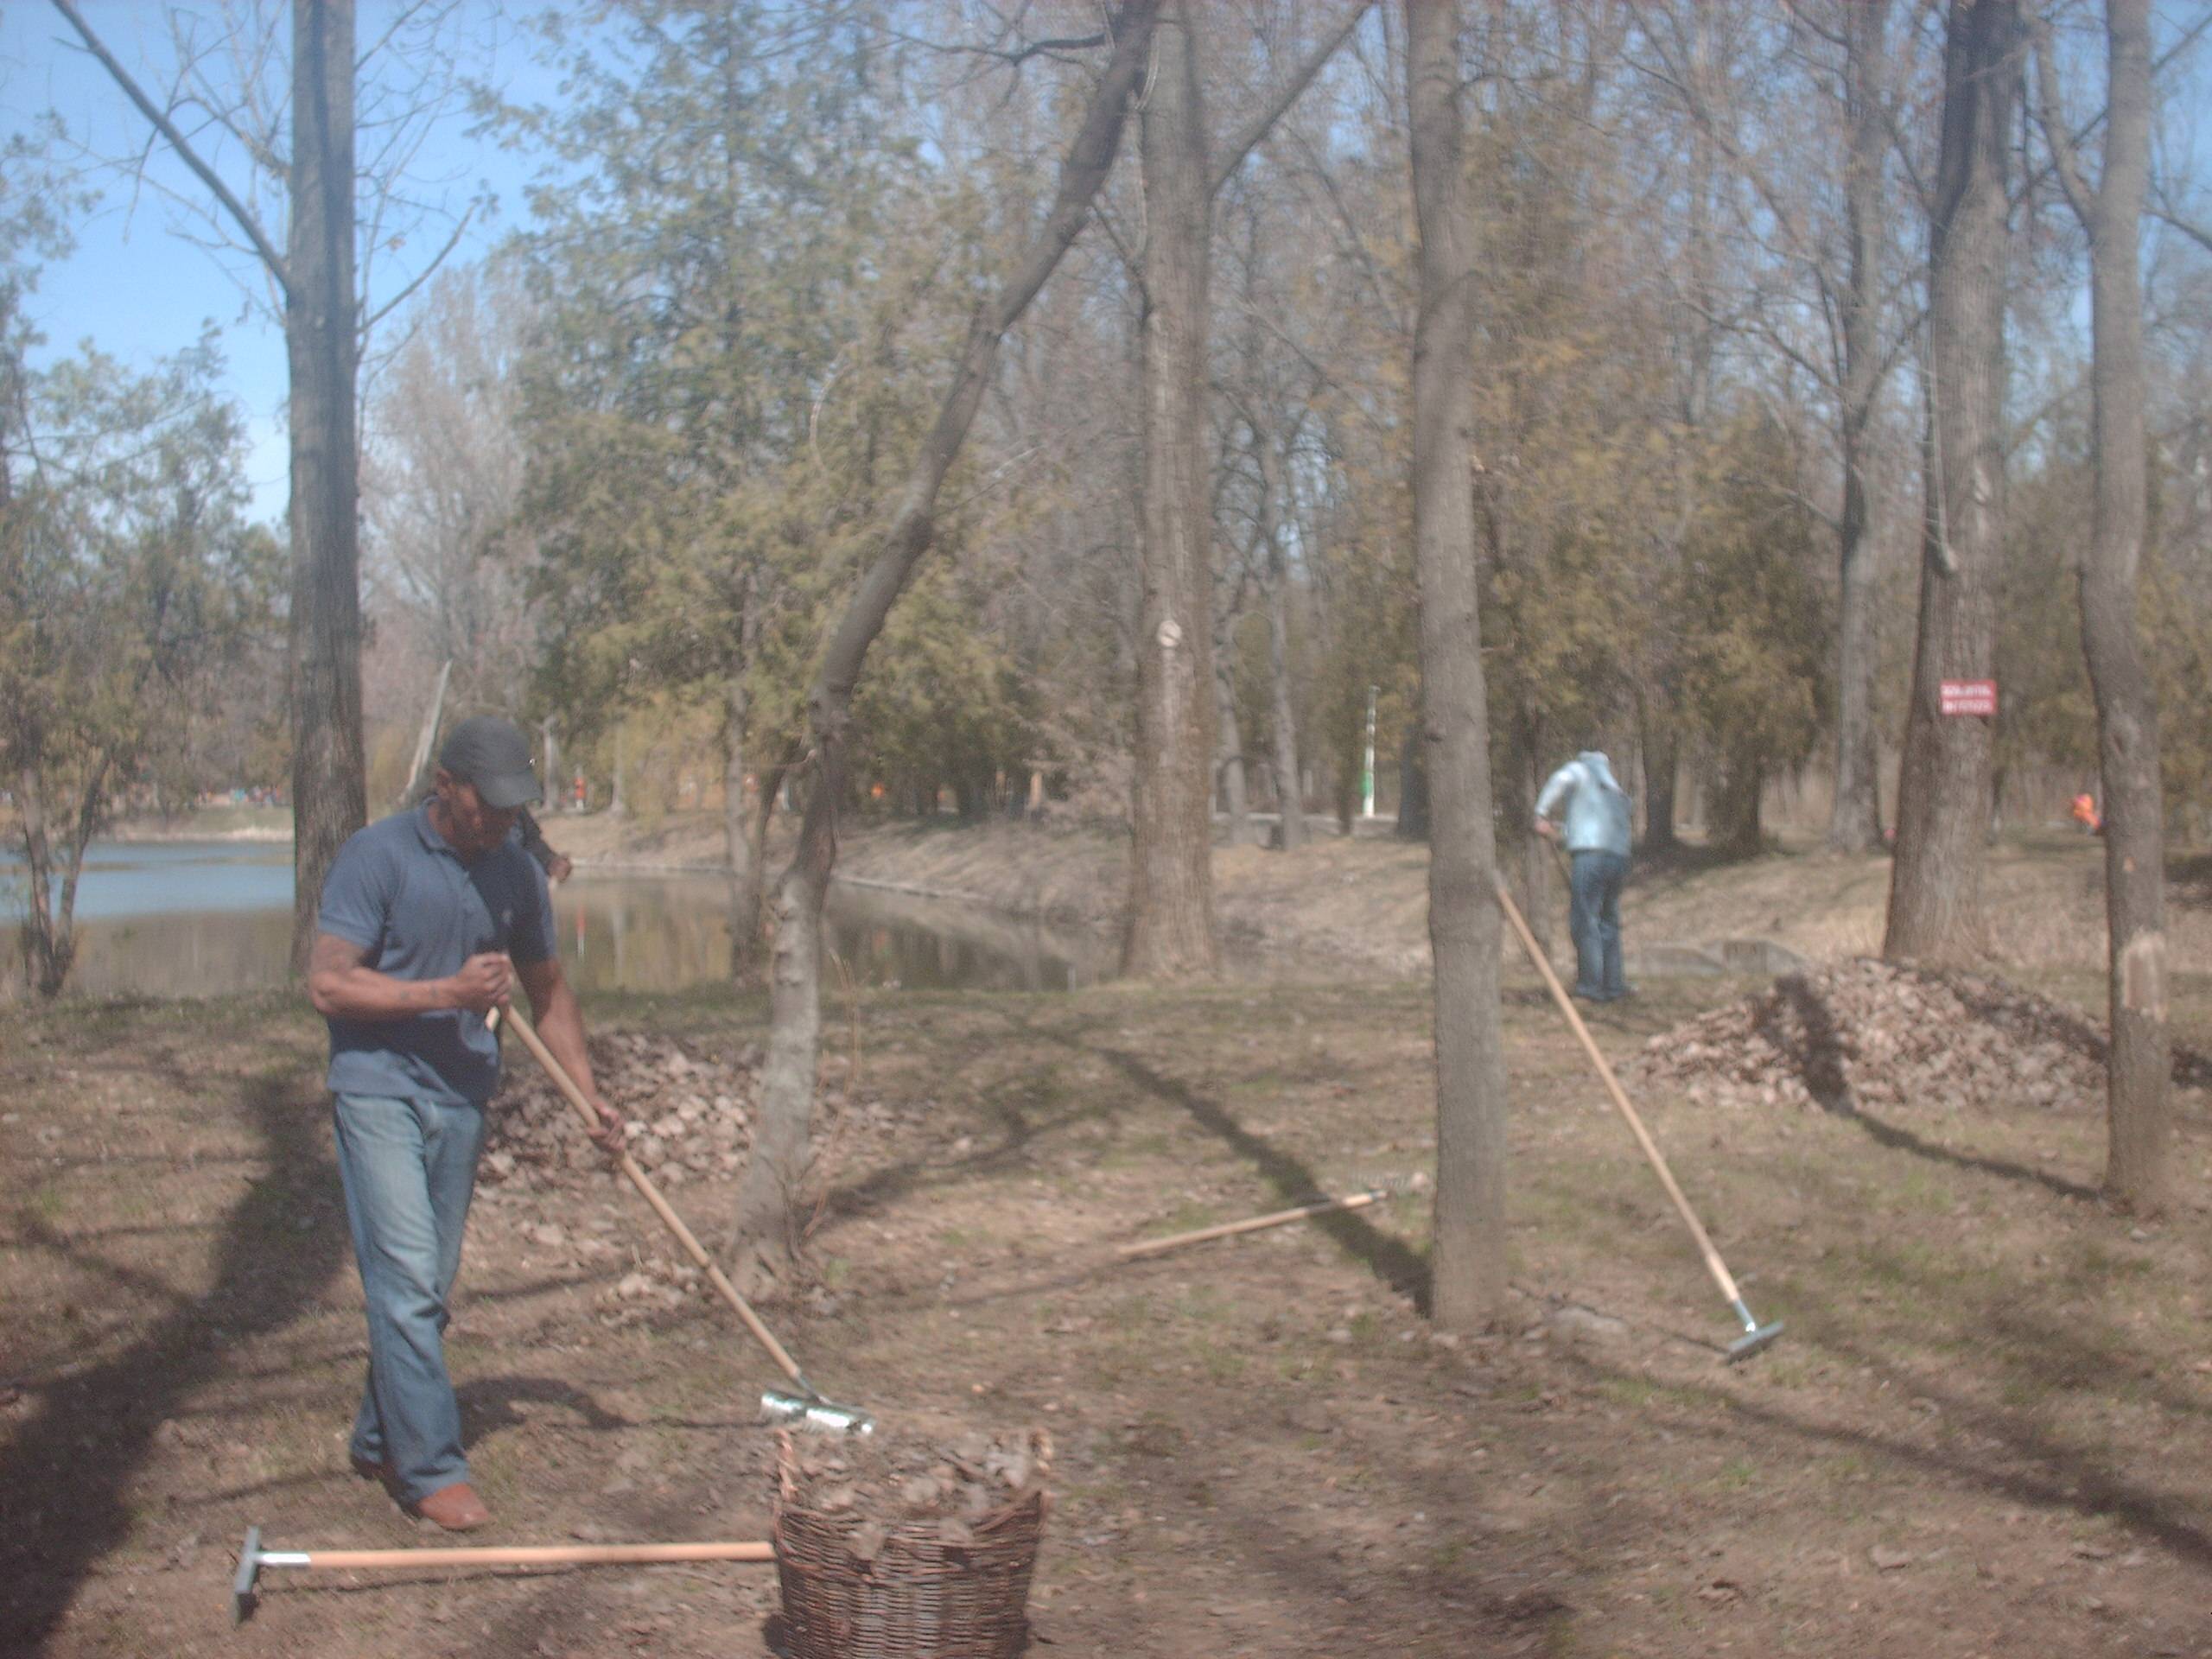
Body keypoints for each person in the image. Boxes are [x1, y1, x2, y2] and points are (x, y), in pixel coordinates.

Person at [308, 715, 623, 1531]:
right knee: (410, 1274)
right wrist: (443, 994)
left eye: (517, 808)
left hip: (461, 1095)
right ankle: (431, 1468)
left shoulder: (516, 872)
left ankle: (381, 1436)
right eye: (490, 804)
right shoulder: (376, 857)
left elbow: (549, 993)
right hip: (377, 1089)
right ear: (445, 785)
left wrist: (588, 1098)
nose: (503, 821)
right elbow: (331, 986)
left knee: (425, 1286)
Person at [1534, 747, 1635, 1003]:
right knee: (1608, 922)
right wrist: (1563, 831)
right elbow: (1597, 824)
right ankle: (1613, 985)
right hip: (1618, 857)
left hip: (1590, 857)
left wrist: (1541, 813)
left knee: (1585, 920)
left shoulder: (1580, 771)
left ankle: (1590, 986)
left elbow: (1560, 781)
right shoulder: (1613, 789)